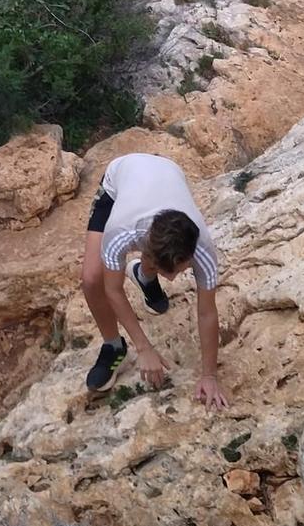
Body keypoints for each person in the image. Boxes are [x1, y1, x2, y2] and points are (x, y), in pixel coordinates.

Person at [79, 151, 228, 408]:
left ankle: (143, 276)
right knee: (91, 278)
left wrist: (209, 376)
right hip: (120, 178)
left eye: (180, 270)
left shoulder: (204, 250)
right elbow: (112, 290)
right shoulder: (121, 233)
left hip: (167, 171)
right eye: (164, 271)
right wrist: (144, 348)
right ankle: (114, 347)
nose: (172, 279)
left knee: (161, 259)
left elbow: (207, 313)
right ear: (145, 251)